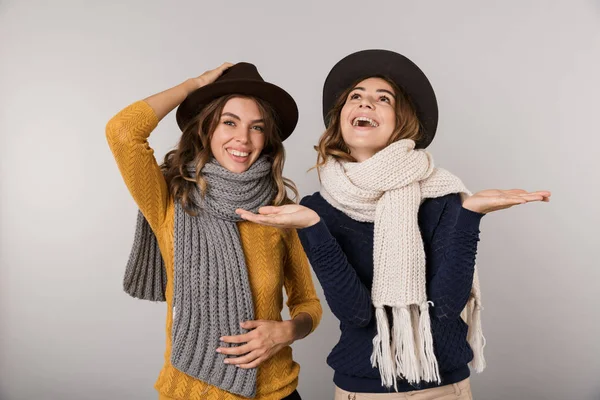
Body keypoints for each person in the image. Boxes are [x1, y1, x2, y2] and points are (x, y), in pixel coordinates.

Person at [236, 50, 551, 399]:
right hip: (364, 390)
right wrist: (313, 227)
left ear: (402, 121)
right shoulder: (316, 209)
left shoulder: (442, 194)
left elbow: (446, 308)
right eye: (356, 96)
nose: (365, 103)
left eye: (382, 99)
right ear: (341, 118)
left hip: (442, 388)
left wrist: (470, 215)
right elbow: (355, 314)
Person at [106, 62, 322, 400]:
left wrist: (286, 331)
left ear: (266, 140)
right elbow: (122, 131)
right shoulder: (170, 200)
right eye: (229, 122)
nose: (243, 138)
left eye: (257, 127)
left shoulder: (279, 209)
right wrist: (193, 85)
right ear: (206, 129)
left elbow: (307, 302)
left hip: (277, 392)